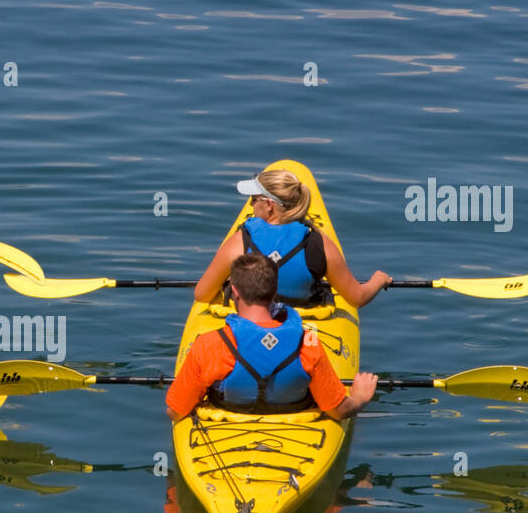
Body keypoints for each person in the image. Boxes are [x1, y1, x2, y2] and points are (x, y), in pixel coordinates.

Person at [167, 253, 377, 423]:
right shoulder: (308, 343)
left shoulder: (210, 344)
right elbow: (338, 411)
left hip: (226, 423)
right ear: (275, 290)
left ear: (235, 292)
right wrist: (359, 399)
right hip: (295, 427)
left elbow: (176, 411)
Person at [193, 169, 391, 307]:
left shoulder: (240, 241)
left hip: (252, 320)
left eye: (253, 200)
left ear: (269, 205)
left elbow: (202, 294)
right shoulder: (317, 244)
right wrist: (378, 280)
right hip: (302, 319)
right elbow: (357, 298)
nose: (251, 206)